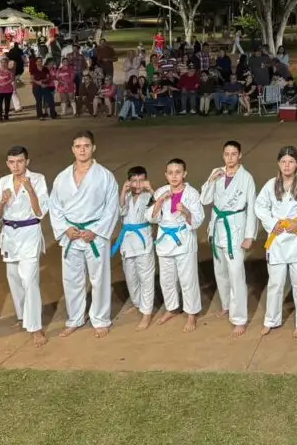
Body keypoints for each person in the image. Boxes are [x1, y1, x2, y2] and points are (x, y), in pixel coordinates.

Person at [49, 131, 120, 338]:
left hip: (94, 234)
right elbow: (54, 207)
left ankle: (100, 318)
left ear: (93, 148)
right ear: (72, 149)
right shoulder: (62, 177)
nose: (82, 150)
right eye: (78, 146)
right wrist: (65, 228)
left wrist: (95, 231)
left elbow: (112, 207)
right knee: (71, 279)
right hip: (71, 234)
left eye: (86, 146)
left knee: (99, 278)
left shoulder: (105, 175)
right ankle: (75, 318)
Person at [0, 145, 49, 347]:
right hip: (9, 235)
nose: (16, 165)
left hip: (29, 233)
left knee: (30, 279)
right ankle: (23, 316)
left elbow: (40, 212)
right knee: (13, 278)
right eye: (12, 162)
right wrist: (2, 203)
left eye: (20, 161)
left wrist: (30, 190)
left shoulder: (38, 179)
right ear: (7, 163)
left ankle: (36, 327)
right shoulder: (2, 182)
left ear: (27, 162)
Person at [255, 145, 297, 337]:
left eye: (291, 162)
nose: (287, 165)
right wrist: (273, 223)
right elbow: (260, 206)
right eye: (283, 162)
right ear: (278, 164)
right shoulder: (271, 184)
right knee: (275, 283)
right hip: (277, 240)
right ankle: (271, 320)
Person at [201, 140, 257, 336]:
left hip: (235, 226)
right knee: (220, 270)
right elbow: (205, 200)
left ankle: (240, 318)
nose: (230, 157)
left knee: (236, 273)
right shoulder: (216, 172)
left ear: (240, 155)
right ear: (223, 155)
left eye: (234, 154)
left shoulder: (246, 178)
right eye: (227, 154)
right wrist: (210, 181)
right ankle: (226, 304)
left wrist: (249, 235)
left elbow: (252, 207)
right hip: (218, 225)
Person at [151, 158, 204, 332]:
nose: (174, 176)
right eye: (171, 173)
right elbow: (151, 217)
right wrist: (159, 202)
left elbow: (198, 219)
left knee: (188, 279)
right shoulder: (160, 191)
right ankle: (172, 308)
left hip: (183, 240)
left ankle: (191, 313)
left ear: (184, 174)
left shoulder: (192, 194)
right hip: (165, 240)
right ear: (166, 175)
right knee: (166, 279)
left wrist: (186, 211)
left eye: (178, 172)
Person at [112, 166, 156, 330]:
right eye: (134, 180)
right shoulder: (127, 196)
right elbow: (121, 212)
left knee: (146, 278)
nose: (137, 184)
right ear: (129, 181)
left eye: (141, 180)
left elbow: (158, 208)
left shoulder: (148, 196)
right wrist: (123, 192)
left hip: (143, 241)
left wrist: (151, 189)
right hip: (127, 243)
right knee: (131, 277)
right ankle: (138, 303)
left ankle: (146, 313)